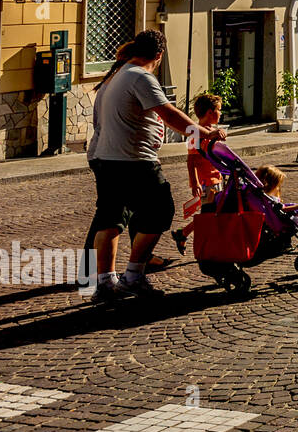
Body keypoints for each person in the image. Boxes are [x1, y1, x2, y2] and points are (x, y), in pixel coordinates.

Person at [86, 31, 222, 302]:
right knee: (161, 210)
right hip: (133, 160)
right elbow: (169, 114)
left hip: (105, 158)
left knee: (110, 218)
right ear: (159, 56)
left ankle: (105, 283)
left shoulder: (114, 77)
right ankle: (133, 276)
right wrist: (203, 133)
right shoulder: (140, 76)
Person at [170, 93, 225, 255]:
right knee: (209, 215)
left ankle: (184, 234)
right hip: (207, 182)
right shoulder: (196, 133)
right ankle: (200, 243)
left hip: (216, 178)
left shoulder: (212, 131)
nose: (221, 114)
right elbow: (191, 160)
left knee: (212, 213)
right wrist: (194, 183)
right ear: (210, 112)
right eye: (219, 110)